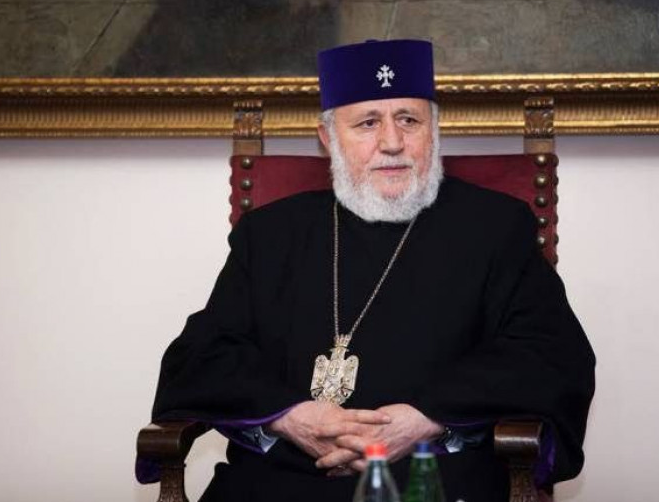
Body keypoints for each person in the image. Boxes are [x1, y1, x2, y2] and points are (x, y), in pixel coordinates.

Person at [139, 39, 595, 502]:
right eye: (368, 123)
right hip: (280, 480)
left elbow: (550, 355)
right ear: (328, 138)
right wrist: (289, 415)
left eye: (410, 120)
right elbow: (200, 356)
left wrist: (426, 418)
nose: (392, 143)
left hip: (431, 478)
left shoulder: (495, 227)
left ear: (434, 130)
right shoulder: (270, 234)